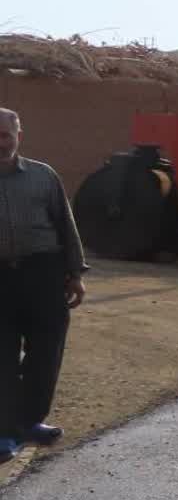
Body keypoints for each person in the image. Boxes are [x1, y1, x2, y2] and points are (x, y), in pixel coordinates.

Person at [0, 107, 87, 463]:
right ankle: (5, 431)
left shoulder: (43, 176)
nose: (0, 142)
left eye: (5, 134)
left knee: (46, 353)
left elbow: (65, 226)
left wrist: (75, 273)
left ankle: (31, 421)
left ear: (19, 135)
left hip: (43, 273)